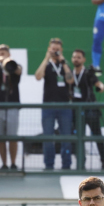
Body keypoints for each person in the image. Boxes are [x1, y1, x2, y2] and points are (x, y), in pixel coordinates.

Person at [34, 38, 75, 170]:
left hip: (64, 106)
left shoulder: (65, 65)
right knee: (48, 136)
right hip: (48, 105)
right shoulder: (47, 65)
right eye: (53, 49)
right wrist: (46, 58)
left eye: (58, 49)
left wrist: (63, 62)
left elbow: (70, 80)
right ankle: (49, 164)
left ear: (61, 50)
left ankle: (66, 164)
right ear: (49, 49)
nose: (55, 51)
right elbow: (38, 76)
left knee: (66, 137)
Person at [70, 49, 104, 170]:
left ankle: (103, 161)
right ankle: (81, 162)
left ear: (83, 59)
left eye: (79, 57)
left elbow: (98, 83)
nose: (76, 59)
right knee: (78, 137)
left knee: (97, 136)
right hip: (76, 110)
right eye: (74, 57)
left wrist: (101, 86)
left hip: (90, 109)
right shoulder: (69, 74)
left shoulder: (88, 73)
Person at [0, 45, 22, 170]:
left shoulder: (14, 65)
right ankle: (4, 163)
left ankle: (13, 163)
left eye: (3, 53)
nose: (1, 55)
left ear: (9, 53)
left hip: (12, 105)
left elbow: (18, 71)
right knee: (1, 137)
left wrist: (9, 62)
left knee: (12, 136)